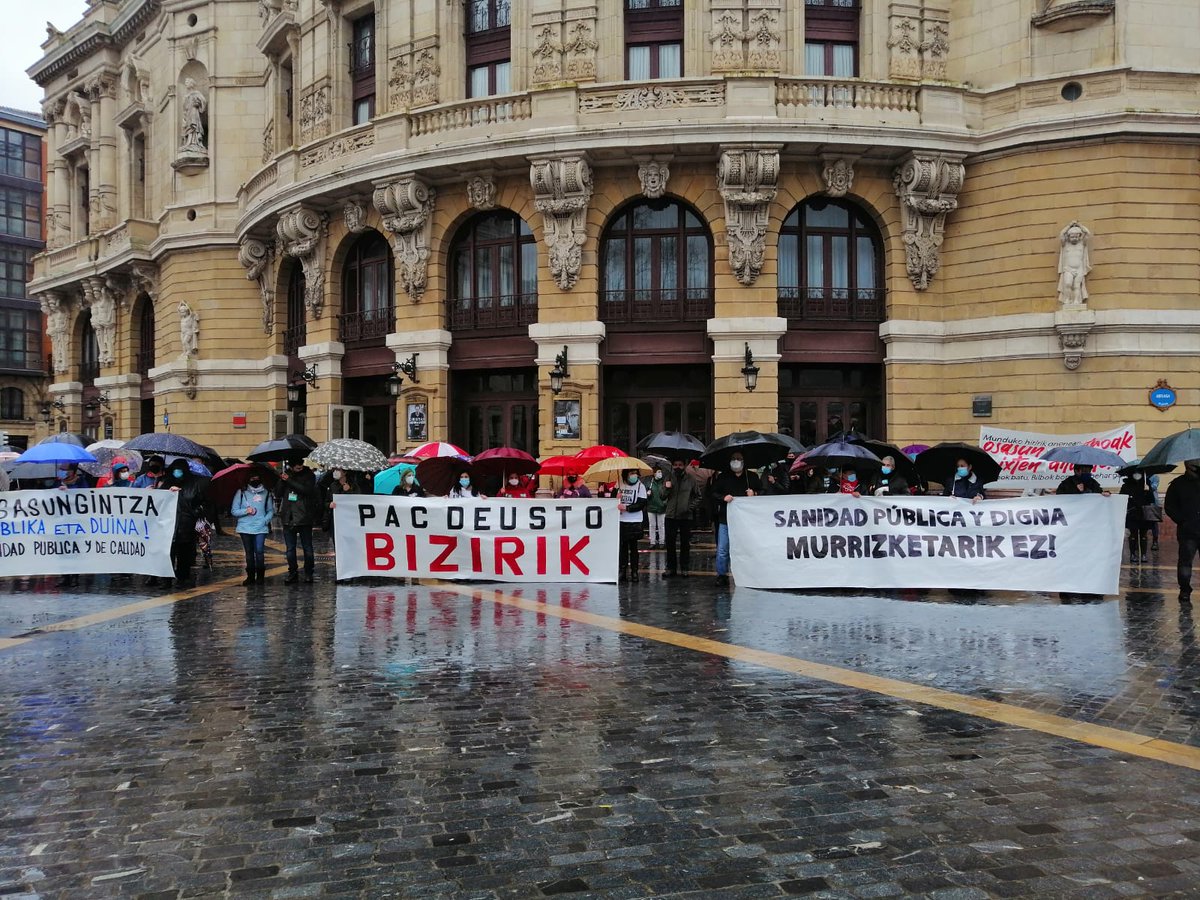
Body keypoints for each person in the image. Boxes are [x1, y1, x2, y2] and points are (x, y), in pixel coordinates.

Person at [709, 451, 760, 588]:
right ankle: (722, 575)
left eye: (739, 459)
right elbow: (713, 493)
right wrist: (723, 498)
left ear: (744, 461)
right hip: (726, 519)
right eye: (733, 458)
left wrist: (754, 494)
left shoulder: (752, 477)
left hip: (746, 522)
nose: (736, 461)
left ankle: (749, 574)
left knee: (747, 549)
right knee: (723, 549)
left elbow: (764, 493)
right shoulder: (723, 477)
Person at [159, 460, 208, 586]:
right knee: (168, 553)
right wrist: (166, 492)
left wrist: (194, 511)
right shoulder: (167, 483)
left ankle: (182, 576)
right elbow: (158, 502)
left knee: (184, 554)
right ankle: (166, 579)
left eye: (180, 469)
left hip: (186, 524)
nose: (177, 472)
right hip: (169, 524)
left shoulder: (194, 484)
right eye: (175, 469)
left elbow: (200, 503)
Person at [276, 459, 320, 583]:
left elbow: (306, 490)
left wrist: (289, 480)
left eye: (300, 466)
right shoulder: (286, 475)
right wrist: (282, 480)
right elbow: (278, 493)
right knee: (290, 549)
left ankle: (308, 572)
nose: (299, 467)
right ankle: (293, 572)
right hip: (288, 517)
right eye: (296, 466)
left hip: (304, 516)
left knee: (307, 548)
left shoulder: (309, 475)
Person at [1165, 459, 1200, 604]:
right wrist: (1182, 521)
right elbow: (1170, 506)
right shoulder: (1178, 484)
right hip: (1188, 532)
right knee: (1185, 562)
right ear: (1188, 466)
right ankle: (1185, 589)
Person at [232, 474, 274, 585]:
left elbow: (270, 510)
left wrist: (265, 520)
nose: (255, 479)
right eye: (252, 477)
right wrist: (246, 511)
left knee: (259, 551)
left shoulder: (266, 493)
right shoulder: (241, 493)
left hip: (261, 527)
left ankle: (260, 576)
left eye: (257, 477)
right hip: (245, 527)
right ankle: (250, 576)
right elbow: (234, 511)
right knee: (249, 552)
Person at [662, 457, 699, 578]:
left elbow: (698, 496)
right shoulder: (668, 477)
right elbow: (662, 496)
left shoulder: (691, 479)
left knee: (685, 544)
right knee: (670, 543)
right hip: (671, 515)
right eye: (676, 464)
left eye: (680, 464)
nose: (678, 467)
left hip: (685, 516)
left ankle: (684, 567)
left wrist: (689, 507)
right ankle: (671, 568)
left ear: (684, 465)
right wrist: (667, 488)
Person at [617, 468, 648, 581]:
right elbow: (611, 499)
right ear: (626, 475)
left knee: (634, 548)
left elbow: (641, 504)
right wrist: (617, 498)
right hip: (622, 520)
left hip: (635, 520)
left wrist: (627, 508)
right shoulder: (619, 483)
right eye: (631, 473)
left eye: (635, 473)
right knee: (623, 547)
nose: (634, 475)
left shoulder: (641, 486)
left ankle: (635, 572)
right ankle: (622, 570)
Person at [1119, 472, 1156, 564]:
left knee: (1143, 535)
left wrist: (1148, 491)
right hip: (1132, 513)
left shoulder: (1146, 484)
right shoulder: (1126, 486)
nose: (1137, 475)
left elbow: (1152, 500)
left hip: (1144, 513)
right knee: (1133, 535)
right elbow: (1122, 498)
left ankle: (1143, 554)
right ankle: (1133, 554)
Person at [645, 468, 668, 548]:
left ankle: (662, 542)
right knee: (652, 525)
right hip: (651, 507)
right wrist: (648, 494)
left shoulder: (664, 483)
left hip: (661, 507)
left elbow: (667, 494)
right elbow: (645, 494)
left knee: (661, 525)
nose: (660, 473)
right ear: (654, 473)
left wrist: (664, 503)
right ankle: (652, 542)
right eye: (658, 472)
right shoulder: (649, 483)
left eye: (661, 472)